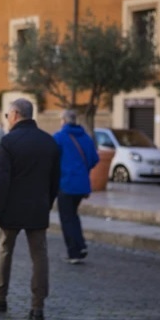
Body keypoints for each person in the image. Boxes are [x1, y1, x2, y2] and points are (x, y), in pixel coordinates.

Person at [0, 98, 60, 320]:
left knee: (4, 252)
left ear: (14, 114)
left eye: (7, 115)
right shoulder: (49, 142)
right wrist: (47, 203)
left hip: (11, 210)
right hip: (38, 209)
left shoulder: (9, 141)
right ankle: (37, 307)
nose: (7, 119)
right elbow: (55, 181)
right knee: (40, 257)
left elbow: (1, 182)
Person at [53, 109, 99, 264]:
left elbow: (51, 158)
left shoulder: (59, 137)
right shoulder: (86, 137)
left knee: (67, 218)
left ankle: (74, 252)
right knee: (73, 215)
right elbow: (94, 159)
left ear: (64, 121)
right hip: (82, 184)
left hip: (66, 183)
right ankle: (81, 245)